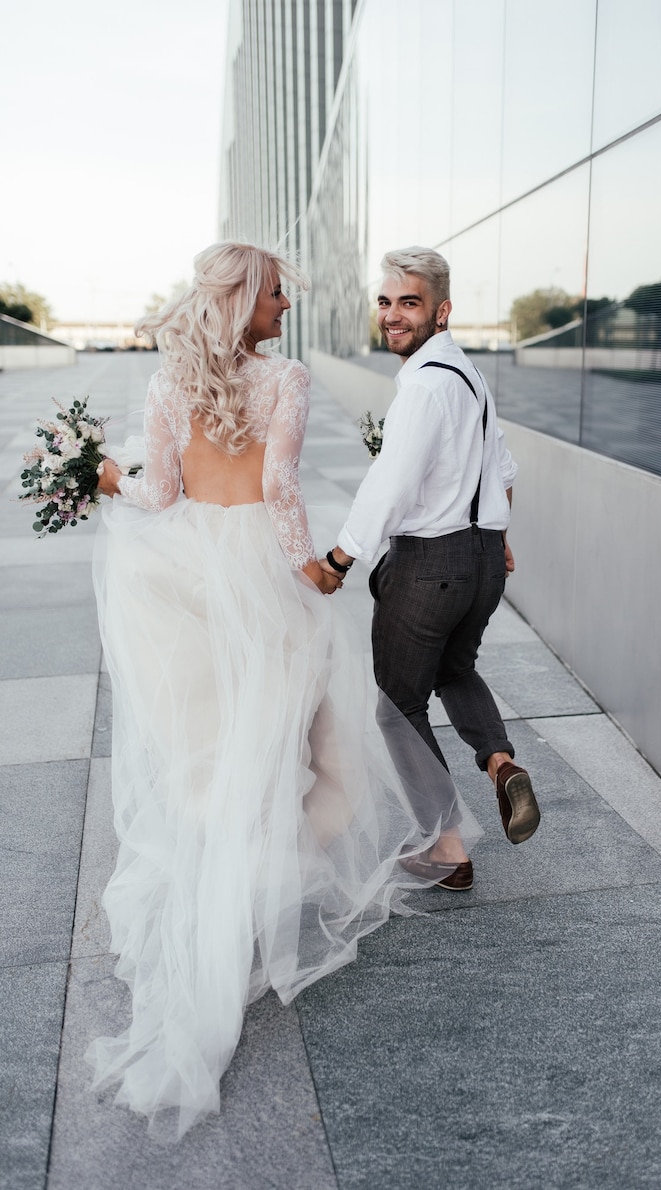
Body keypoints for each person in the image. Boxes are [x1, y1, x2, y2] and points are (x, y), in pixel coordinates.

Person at [89, 241, 477, 1139]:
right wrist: (314, 569)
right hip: (263, 574)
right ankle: (266, 889)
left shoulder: (167, 385)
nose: (285, 309)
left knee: (220, 755)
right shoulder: (287, 380)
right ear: (242, 300)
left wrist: (107, 479)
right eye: (274, 295)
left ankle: (225, 900)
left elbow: (155, 496)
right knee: (320, 752)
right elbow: (280, 488)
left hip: (189, 574)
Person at [321, 246, 540, 893]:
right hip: (481, 558)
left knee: (397, 706)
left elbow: (391, 482)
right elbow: (501, 467)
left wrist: (341, 557)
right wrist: (494, 535)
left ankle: (447, 846)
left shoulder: (421, 384)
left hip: (431, 564)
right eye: (386, 302)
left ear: (441, 310)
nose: (393, 316)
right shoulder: (470, 377)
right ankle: (501, 764)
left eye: (409, 303)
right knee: (455, 667)